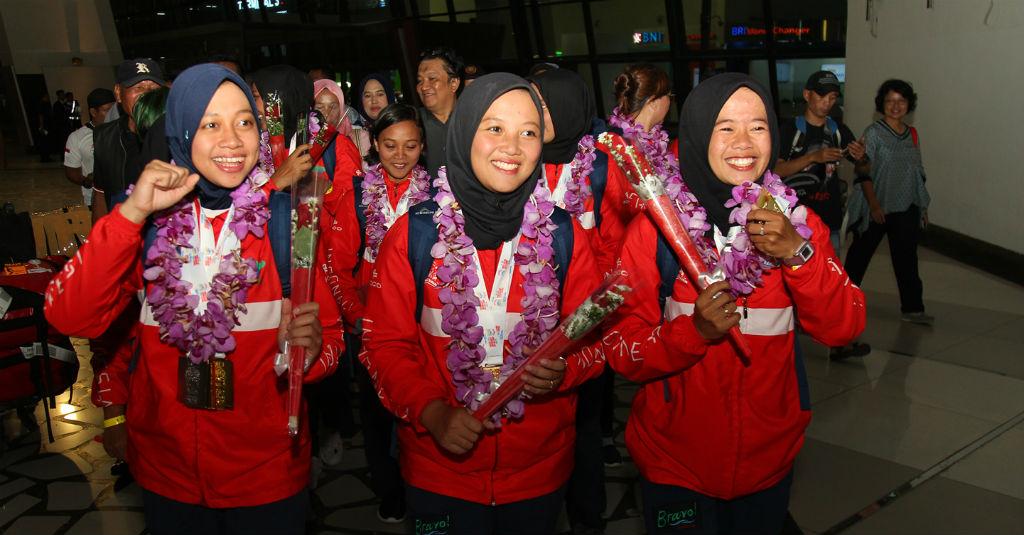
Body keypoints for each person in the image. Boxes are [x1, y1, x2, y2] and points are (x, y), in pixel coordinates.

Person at [44, 63, 343, 535]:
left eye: (245, 121)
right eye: (211, 124)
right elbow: (69, 315)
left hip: (265, 479)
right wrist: (133, 212)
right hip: (169, 476)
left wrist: (308, 351)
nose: (232, 139)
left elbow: (330, 342)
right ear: (181, 130)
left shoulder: (287, 222)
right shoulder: (142, 225)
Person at [603, 73, 866, 535]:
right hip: (674, 466)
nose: (743, 143)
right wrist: (694, 333)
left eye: (758, 126)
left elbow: (843, 328)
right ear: (699, 132)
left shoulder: (800, 227)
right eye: (725, 127)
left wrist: (797, 255)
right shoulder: (656, 231)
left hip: (768, 464)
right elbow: (622, 350)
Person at [362, 73, 603, 534]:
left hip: (538, 473)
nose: (512, 146)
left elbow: (597, 340)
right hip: (440, 472)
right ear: (464, 129)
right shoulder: (414, 236)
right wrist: (432, 412)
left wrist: (566, 370)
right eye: (494, 128)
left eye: (528, 132)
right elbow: (385, 346)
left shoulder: (564, 235)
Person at [321, 103, 433, 523]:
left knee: (419, 400)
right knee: (376, 411)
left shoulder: (438, 194)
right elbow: (337, 257)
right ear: (376, 147)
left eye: (409, 146)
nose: (400, 156)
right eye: (389, 146)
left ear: (422, 147)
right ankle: (389, 489)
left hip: (421, 315)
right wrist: (355, 313)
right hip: (370, 313)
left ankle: (422, 481)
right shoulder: (358, 193)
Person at [527, 68, 609, 535]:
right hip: (526, 318)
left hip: (587, 320)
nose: (533, 113)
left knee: (585, 427)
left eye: (541, 103)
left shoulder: (597, 166)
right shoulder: (515, 158)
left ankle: (587, 516)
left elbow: (618, 246)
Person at [595, 63, 675, 467]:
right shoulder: (612, 149)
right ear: (657, 103)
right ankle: (604, 432)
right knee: (606, 356)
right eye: (669, 99)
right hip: (613, 266)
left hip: (649, 264)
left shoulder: (657, 146)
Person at [775, 70, 871, 361]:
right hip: (793, 221)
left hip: (827, 219)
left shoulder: (840, 130)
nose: (827, 103)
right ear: (807, 95)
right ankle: (783, 340)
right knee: (789, 283)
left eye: (832, 97)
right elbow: (776, 170)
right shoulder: (789, 130)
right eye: (822, 96)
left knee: (830, 283)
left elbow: (864, 170)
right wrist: (812, 158)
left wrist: (862, 156)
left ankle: (839, 342)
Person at [845, 79, 932, 326]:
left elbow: (917, 171)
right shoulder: (873, 133)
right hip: (875, 206)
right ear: (881, 104)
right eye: (890, 101)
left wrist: (922, 206)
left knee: (906, 258)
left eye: (901, 101)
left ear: (909, 104)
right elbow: (864, 170)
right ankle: (842, 304)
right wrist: (873, 205)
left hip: (905, 206)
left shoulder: (912, 134)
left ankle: (913, 308)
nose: (896, 106)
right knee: (858, 258)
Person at [92, 58, 166, 222]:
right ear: (118, 93)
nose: (147, 94)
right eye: (138, 87)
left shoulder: (175, 134)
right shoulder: (104, 136)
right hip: (121, 231)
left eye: (154, 88)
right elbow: (100, 192)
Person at [249, 65, 314, 190]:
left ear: (282, 100)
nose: (251, 104)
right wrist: (276, 184)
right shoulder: (253, 147)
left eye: (255, 96)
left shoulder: (329, 144)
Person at [64, 88, 116, 208]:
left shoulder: (124, 129)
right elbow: (71, 171)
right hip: (96, 201)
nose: (112, 115)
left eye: (114, 109)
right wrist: (87, 181)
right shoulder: (77, 137)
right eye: (107, 110)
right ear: (93, 112)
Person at [416, 47, 463, 176]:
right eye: (420, 81)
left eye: (432, 78)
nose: (424, 87)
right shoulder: (412, 123)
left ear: (453, 83)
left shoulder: (474, 120)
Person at [313, 78, 367, 175]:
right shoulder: (302, 140)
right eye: (320, 107)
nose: (326, 113)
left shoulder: (358, 137)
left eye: (333, 107)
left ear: (342, 108)